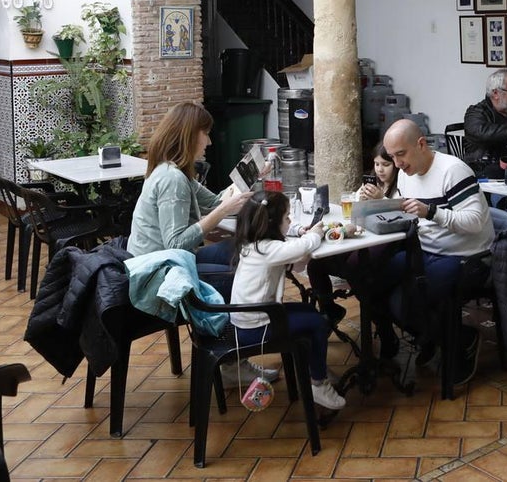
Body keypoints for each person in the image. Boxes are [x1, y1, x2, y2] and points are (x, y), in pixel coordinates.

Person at [127, 101, 275, 388]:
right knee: (237, 276)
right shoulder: (172, 180)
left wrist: (253, 176)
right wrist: (221, 212)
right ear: (189, 134)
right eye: (205, 133)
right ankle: (232, 363)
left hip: (165, 264)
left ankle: (235, 355)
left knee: (238, 250)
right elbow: (176, 242)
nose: (208, 140)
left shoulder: (176, 171)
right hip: (159, 275)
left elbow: (218, 201)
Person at [374, 119, 494, 386]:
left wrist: (432, 212)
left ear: (421, 144)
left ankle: (461, 339)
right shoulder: (405, 174)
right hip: (426, 251)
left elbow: (475, 222)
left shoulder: (453, 171)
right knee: (371, 278)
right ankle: (424, 337)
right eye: (392, 157)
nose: (397, 164)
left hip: (466, 257)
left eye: (400, 154)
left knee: (401, 301)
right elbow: (408, 214)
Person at [229, 190, 346, 411]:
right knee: (318, 323)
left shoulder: (254, 244)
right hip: (257, 327)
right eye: (287, 217)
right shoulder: (269, 249)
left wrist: (306, 245)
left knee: (309, 312)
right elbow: (302, 247)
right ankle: (318, 383)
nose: (290, 221)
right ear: (273, 223)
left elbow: (297, 262)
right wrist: (316, 232)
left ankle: (313, 366)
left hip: (250, 318)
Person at [304, 143, 400, 323]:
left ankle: (382, 326)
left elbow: (399, 213)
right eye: (376, 164)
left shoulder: (401, 188)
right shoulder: (371, 183)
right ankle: (329, 309)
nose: (380, 169)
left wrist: (381, 199)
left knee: (355, 271)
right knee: (316, 265)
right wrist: (359, 201)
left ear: (396, 164)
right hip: (360, 237)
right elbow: (352, 213)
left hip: (384, 243)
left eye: (385, 165)